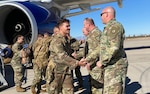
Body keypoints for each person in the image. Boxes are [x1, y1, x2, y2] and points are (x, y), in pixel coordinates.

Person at [84, 6, 128, 94]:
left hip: (116, 67)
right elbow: (100, 47)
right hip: (110, 66)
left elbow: (113, 47)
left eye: (101, 14)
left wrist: (102, 61)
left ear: (107, 14)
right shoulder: (108, 28)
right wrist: (87, 59)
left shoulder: (115, 26)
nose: (100, 17)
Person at [48, 19, 86, 94]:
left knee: (69, 91)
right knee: (54, 91)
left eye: (69, 26)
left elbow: (69, 52)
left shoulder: (66, 40)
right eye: (67, 26)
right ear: (61, 27)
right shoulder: (57, 41)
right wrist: (77, 63)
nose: (69, 28)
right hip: (56, 72)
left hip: (66, 70)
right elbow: (62, 56)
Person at [73, 18, 103, 94]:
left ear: (88, 24)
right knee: (93, 86)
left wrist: (88, 61)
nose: (84, 26)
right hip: (93, 64)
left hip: (96, 65)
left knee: (97, 88)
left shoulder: (95, 34)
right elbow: (89, 50)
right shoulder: (92, 34)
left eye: (84, 25)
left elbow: (96, 51)